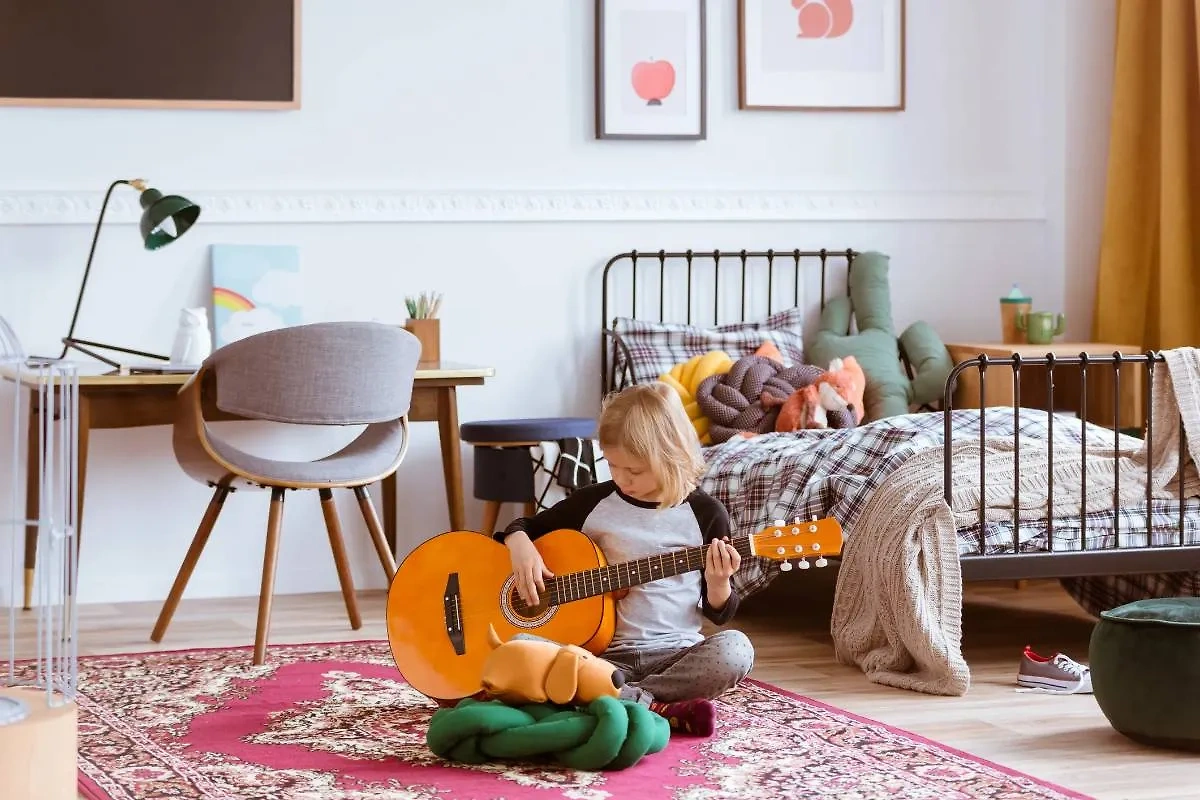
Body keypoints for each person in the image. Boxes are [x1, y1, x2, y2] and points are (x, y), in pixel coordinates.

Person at [494, 382, 755, 736]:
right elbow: (525, 524)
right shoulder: (595, 503)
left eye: (635, 470)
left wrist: (719, 582)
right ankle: (653, 706)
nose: (622, 479)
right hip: (601, 657)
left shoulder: (706, 514)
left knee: (737, 650)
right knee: (517, 647)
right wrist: (519, 543)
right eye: (614, 465)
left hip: (675, 654)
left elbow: (719, 611)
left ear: (671, 455)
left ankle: (620, 699)